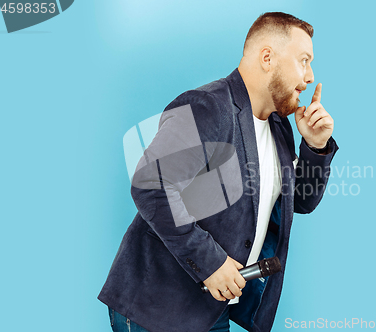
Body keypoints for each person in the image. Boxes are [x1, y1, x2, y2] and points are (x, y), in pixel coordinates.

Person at [98, 12, 339, 332]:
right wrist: (211, 263)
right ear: (268, 58)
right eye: (303, 60)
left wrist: (316, 148)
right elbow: (150, 185)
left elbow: (300, 202)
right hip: (158, 307)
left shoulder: (279, 125)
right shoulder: (207, 106)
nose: (309, 77)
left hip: (213, 311)